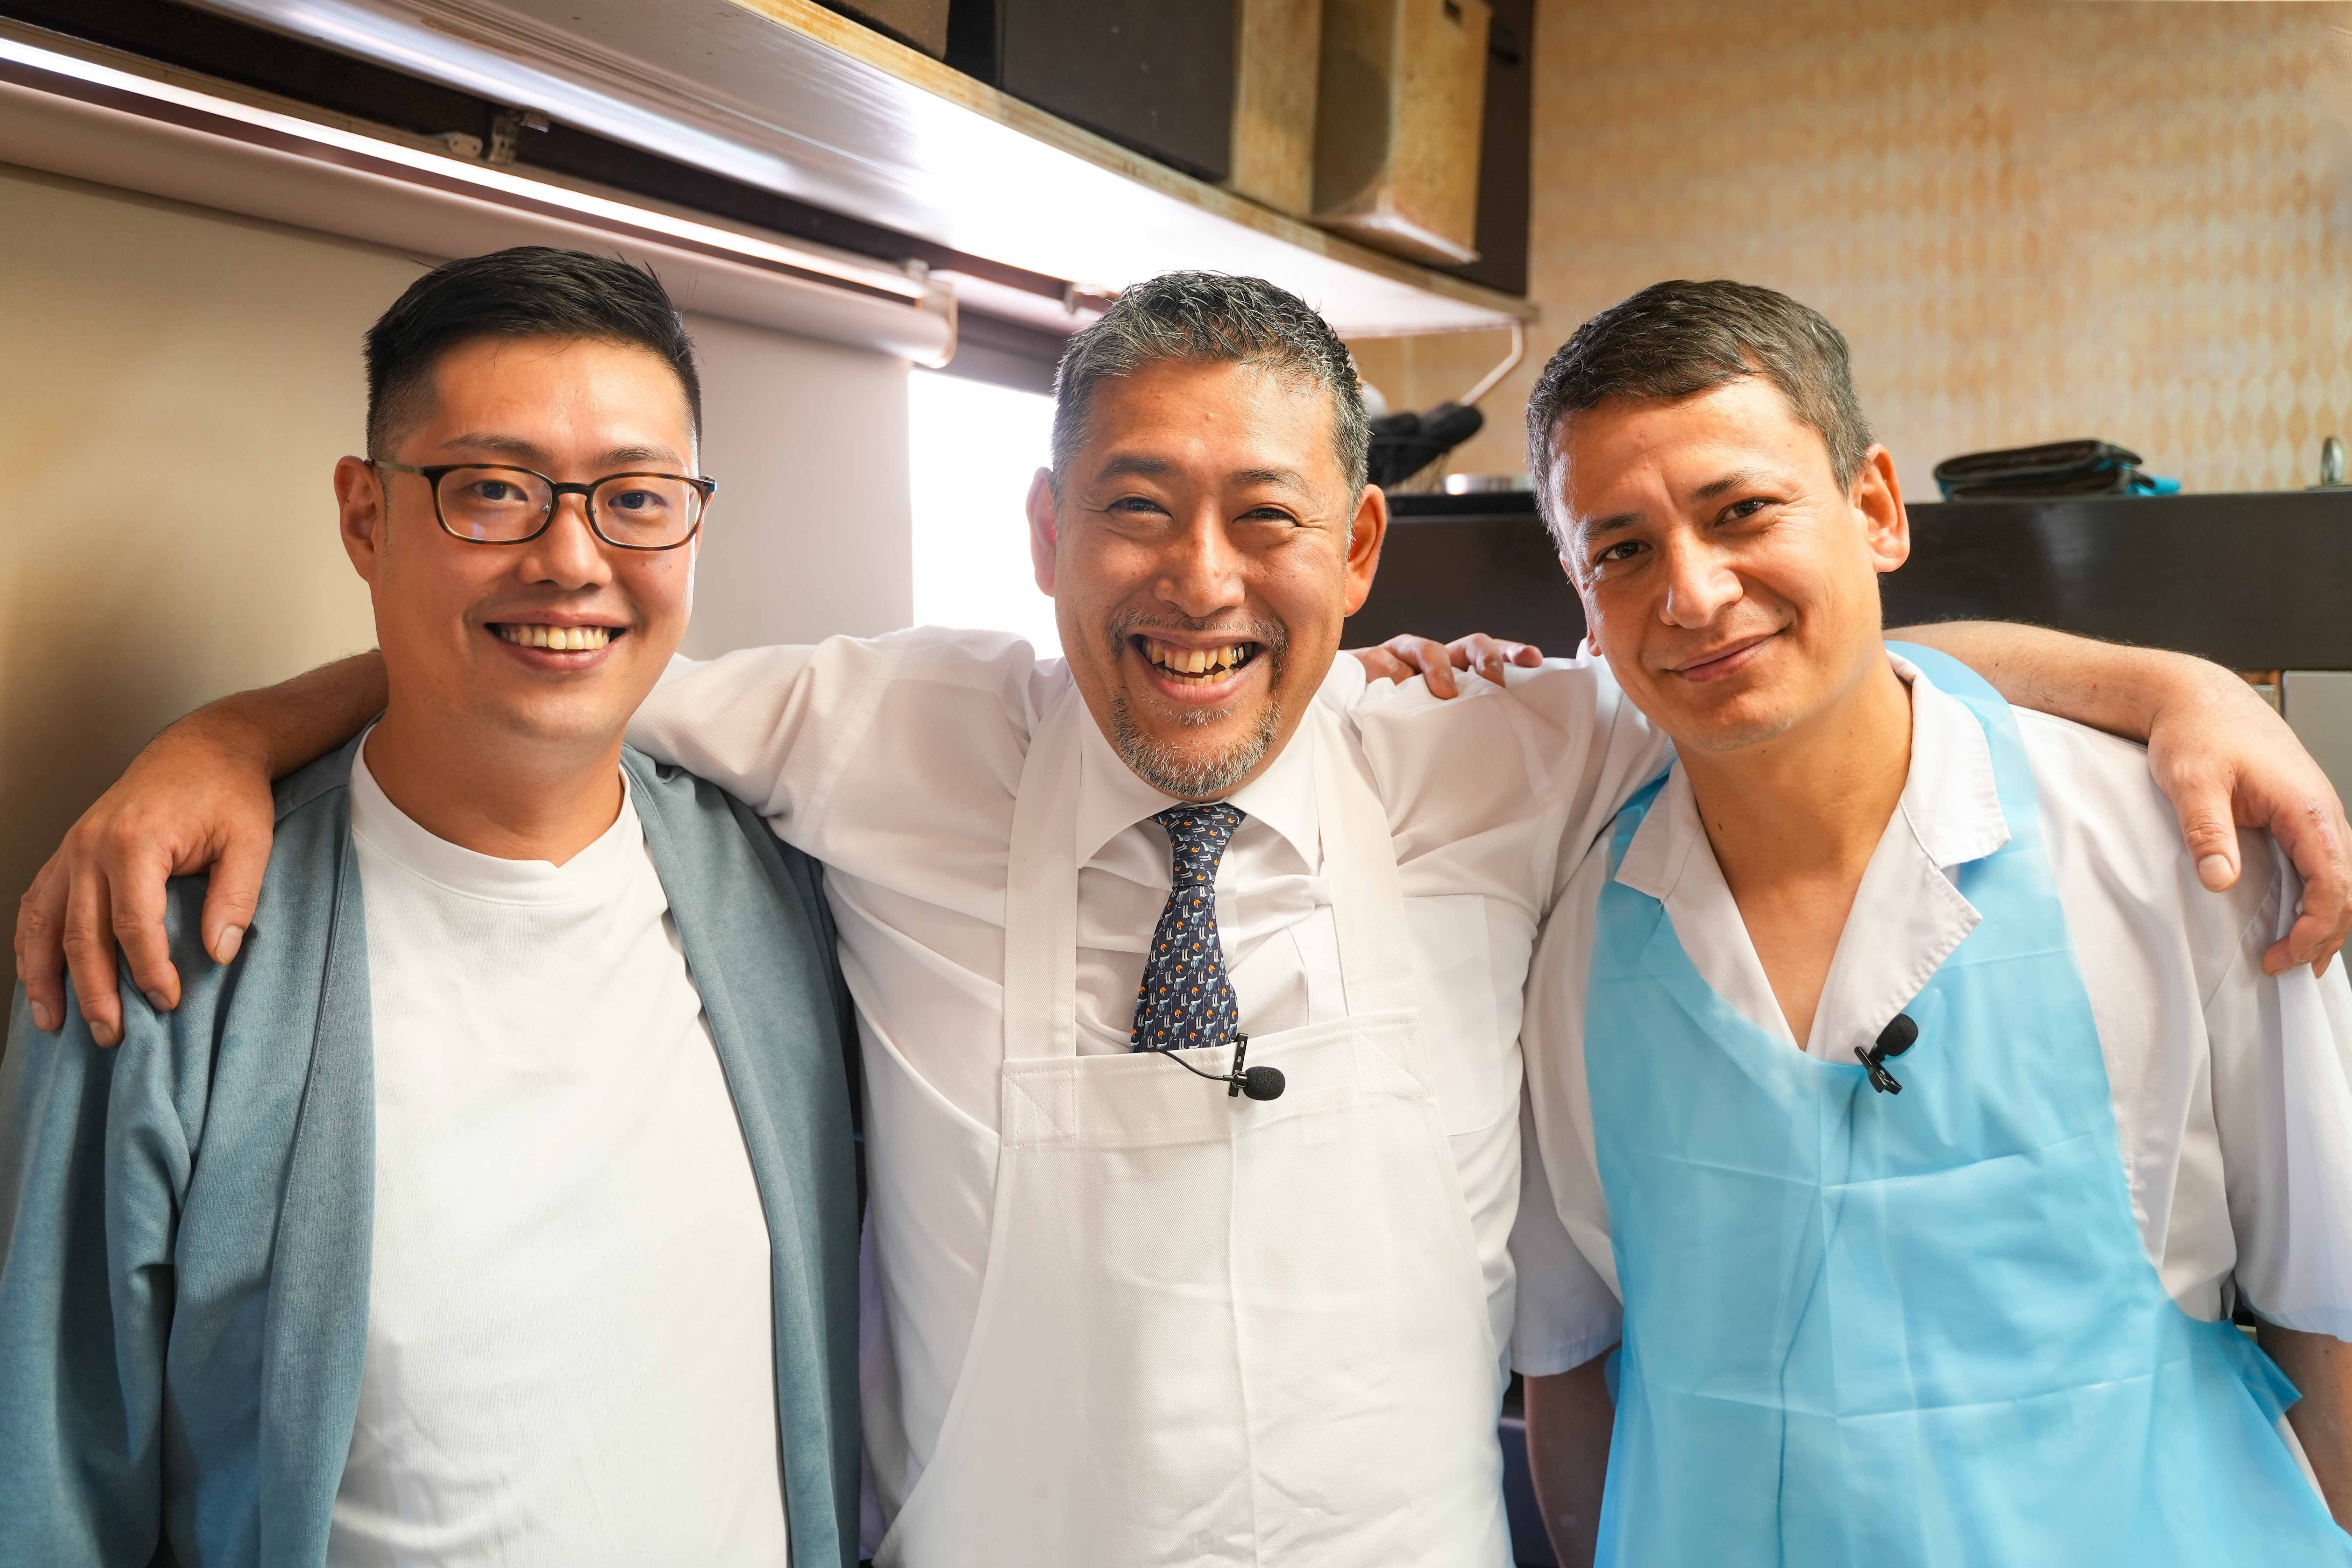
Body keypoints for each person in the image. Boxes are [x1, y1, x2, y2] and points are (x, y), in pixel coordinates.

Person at [16, 267, 2351, 1567]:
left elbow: (1781, 656)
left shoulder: (1504, 749)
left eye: (1265, 516)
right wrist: (228, 732)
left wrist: (2154, 684)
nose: (1198, 580)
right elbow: (556, 649)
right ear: (1041, 540)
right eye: (1133, 509)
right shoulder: (883, 729)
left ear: (1360, 551)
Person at [0, 250, 862, 1565]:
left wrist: (231, 727)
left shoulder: (788, 888)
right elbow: (53, 1488)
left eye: (637, 499)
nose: (571, 558)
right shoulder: (163, 950)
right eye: (494, 491)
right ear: (367, 518)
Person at [1508, 279, 2352, 1567]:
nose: (1693, 592)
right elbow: (1574, 1367)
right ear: (1581, 592)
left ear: (1876, 509)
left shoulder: (2174, 850)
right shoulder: (1570, 941)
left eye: (1743, 511)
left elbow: (2330, 1313)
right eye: (1620, 550)